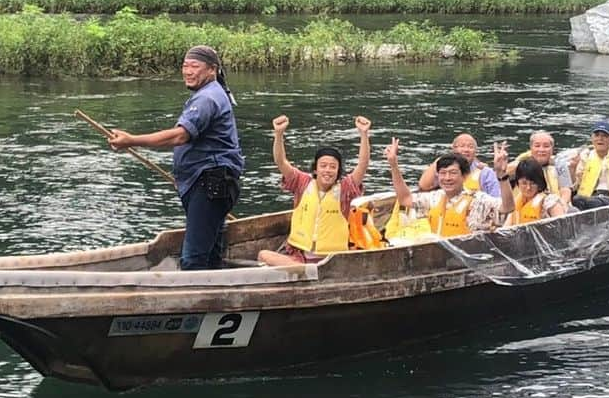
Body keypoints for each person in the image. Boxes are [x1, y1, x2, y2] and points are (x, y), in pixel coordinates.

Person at [108, 45, 243, 270]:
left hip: (210, 183)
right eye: (185, 66)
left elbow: (180, 136)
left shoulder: (207, 99)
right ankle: (215, 298)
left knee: (193, 259)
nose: (188, 71)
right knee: (210, 254)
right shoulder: (212, 93)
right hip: (210, 182)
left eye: (195, 66)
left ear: (212, 70)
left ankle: (195, 300)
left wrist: (132, 140)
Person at [257, 114, 372, 266]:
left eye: (333, 167)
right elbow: (281, 162)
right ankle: (304, 271)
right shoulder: (302, 182)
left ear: (338, 171)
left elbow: (362, 165)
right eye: (323, 166)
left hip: (332, 262)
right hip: (300, 258)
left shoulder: (344, 189)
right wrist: (278, 134)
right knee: (263, 255)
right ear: (316, 169)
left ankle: (306, 272)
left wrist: (364, 134)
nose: (328, 170)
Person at [385, 139, 515, 237]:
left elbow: (507, 207)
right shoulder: (435, 198)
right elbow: (405, 199)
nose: (447, 178)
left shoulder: (478, 200)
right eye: (443, 173)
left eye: (453, 173)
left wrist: (502, 175)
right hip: (440, 255)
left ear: (464, 176)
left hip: (470, 258)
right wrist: (394, 166)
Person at [569, 120, 609, 210]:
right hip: (589, 196)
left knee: (593, 202)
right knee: (577, 199)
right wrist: (572, 168)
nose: (600, 139)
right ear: (592, 139)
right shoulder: (586, 156)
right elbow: (576, 184)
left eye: (604, 136)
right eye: (597, 135)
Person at [418, 133, 500, 196]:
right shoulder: (445, 170)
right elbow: (423, 186)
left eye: (470, 147)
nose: (466, 150)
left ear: (475, 152)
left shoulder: (485, 173)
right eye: (462, 146)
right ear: (454, 150)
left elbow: (497, 199)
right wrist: (441, 160)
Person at [507, 131, 573, 204]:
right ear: (531, 148)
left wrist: (562, 205)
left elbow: (565, 190)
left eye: (546, 146)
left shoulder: (559, 164)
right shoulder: (520, 164)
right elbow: (502, 175)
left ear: (552, 149)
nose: (541, 150)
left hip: (553, 206)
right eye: (537, 146)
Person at [504, 158, 570, 227]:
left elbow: (563, 227)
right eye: (524, 183)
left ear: (539, 183)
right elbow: (506, 228)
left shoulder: (550, 202)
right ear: (518, 183)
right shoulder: (516, 203)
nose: (528, 188)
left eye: (533, 183)